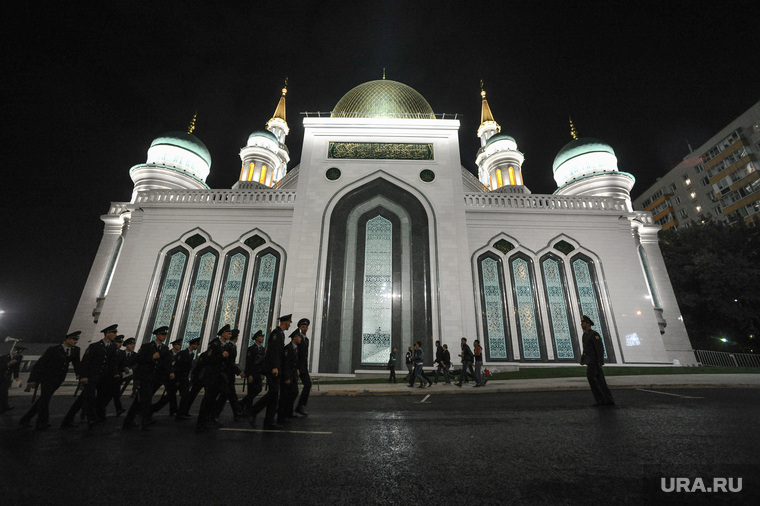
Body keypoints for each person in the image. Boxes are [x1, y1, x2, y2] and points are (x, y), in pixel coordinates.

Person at [20, 332, 82, 429]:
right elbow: (40, 364)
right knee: (45, 400)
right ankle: (42, 423)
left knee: (43, 399)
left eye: (77, 339)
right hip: (47, 378)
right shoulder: (53, 350)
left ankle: (25, 419)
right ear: (67, 339)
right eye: (74, 339)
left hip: (59, 379)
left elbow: (76, 363)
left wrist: (79, 374)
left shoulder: (75, 350)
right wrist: (32, 379)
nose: (76, 341)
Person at [63, 324, 119, 427]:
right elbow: (85, 362)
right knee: (87, 399)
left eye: (116, 332)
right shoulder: (94, 346)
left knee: (101, 398)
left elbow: (112, 362)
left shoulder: (113, 347)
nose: (115, 334)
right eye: (114, 332)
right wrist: (83, 376)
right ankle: (75, 419)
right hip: (92, 376)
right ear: (107, 333)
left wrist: (114, 374)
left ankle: (99, 416)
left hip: (104, 378)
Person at [122, 326, 173, 430]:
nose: (164, 336)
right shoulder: (147, 346)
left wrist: (170, 372)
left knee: (141, 400)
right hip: (145, 377)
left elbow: (166, 363)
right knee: (145, 400)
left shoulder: (164, 348)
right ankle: (144, 421)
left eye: (165, 335)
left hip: (155, 378)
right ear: (157, 335)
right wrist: (151, 357)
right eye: (162, 334)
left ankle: (130, 422)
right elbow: (138, 359)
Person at [248, 314, 291, 430]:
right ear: (285, 322)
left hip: (275, 368)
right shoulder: (276, 333)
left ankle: (269, 421)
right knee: (273, 393)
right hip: (272, 368)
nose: (290, 324)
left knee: (274, 395)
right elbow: (274, 351)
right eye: (289, 322)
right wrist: (275, 367)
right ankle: (253, 411)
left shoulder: (280, 333)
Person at [195, 325, 232, 432]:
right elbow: (208, 359)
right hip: (212, 377)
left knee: (225, 393)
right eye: (228, 333)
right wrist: (222, 356)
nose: (229, 335)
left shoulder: (226, 346)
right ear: (223, 334)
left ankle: (212, 416)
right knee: (208, 399)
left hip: (220, 377)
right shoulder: (214, 345)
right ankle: (201, 422)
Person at [580, 315, 615, 407]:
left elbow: (599, 349)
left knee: (594, 379)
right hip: (590, 361)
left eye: (583, 323)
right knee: (599, 380)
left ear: (588, 324)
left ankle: (603, 400)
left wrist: (600, 361)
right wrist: (583, 359)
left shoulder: (594, 334)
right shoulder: (585, 335)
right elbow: (586, 349)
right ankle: (606, 400)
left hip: (594, 362)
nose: (581, 324)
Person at [214, 329, 245, 420]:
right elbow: (229, 362)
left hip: (229, 375)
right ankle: (215, 413)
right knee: (225, 394)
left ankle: (236, 412)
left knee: (231, 395)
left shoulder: (231, 346)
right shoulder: (229, 347)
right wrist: (239, 371)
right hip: (226, 375)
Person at [152, 338, 183, 415]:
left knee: (171, 394)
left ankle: (172, 409)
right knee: (152, 391)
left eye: (180, 345)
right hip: (163, 375)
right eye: (177, 345)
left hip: (172, 377)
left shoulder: (181, 355)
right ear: (174, 345)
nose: (179, 346)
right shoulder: (167, 353)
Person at [278, 329, 301, 424]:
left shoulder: (296, 348)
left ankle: (289, 412)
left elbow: (295, 362)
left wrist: (297, 370)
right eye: (299, 337)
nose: (300, 338)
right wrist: (287, 377)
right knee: (285, 395)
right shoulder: (287, 348)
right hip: (288, 376)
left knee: (294, 392)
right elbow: (286, 364)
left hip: (293, 375)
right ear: (294, 338)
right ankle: (282, 415)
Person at [173, 337, 200, 420]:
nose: (198, 346)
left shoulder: (191, 354)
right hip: (180, 378)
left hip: (185, 378)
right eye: (197, 344)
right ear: (193, 345)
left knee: (185, 396)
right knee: (181, 396)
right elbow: (177, 366)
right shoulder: (183, 353)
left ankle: (181, 413)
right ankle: (179, 414)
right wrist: (177, 379)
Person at [241, 330, 265, 413]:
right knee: (251, 391)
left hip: (258, 373)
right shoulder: (251, 349)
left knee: (258, 389)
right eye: (261, 337)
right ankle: (248, 408)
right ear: (257, 338)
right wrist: (249, 374)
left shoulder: (262, 349)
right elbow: (249, 362)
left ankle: (242, 403)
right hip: (252, 373)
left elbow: (262, 362)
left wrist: (263, 373)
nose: (262, 338)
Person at [294, 318, 312, 416]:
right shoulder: (298, 339)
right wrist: (297, 368)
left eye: (306, 327)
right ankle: (284, 408)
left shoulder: (306, 340)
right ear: (300, 328)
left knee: (308, 384)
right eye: (303, 327)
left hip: (303, 368)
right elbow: (296, 354)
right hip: (297, 368)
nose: (305, 328)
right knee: (292, 389)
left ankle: (300, 406)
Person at [0, 346, 24, 414]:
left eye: (18, 352)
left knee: (4, 392)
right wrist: (8, 364)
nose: (17, 353)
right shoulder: (3, 357)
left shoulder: (18, 358)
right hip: (1, 376)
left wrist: (16, 377)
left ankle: (5, 406)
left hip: (7, 378)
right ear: (11, 350)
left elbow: (16, 368)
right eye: (15, 351)